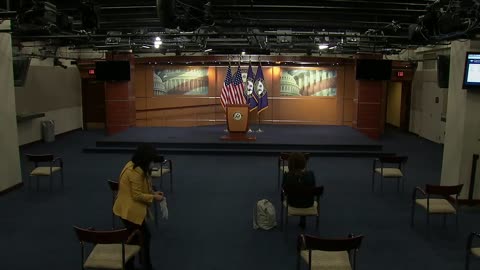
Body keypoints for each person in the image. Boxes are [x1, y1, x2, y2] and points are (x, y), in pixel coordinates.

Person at [113, 144, 164, 270]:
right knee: (142, 237)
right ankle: (144, 265)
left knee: (137, 238)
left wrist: (152, 192)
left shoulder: (138, 167)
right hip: (129, 211)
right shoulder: (134, 172)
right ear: (145, 159)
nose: (153, 164)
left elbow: (143, 187)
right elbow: (136, 195)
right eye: (151, 160)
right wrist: (153, 197)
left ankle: (133, 264)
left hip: (130, 208)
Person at [282, 152, 316, 228]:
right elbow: (313, 187)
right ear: (303, 163)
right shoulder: (310, 174)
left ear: (290, 164)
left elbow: (284, 189)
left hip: (292, 203)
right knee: (304, 188)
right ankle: (303, 219)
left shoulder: (287, 175)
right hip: (309, 203)